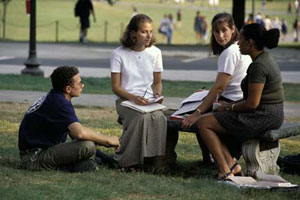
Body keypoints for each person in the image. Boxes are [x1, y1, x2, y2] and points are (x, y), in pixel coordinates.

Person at [189, 23, 283, 180]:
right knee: (210, 120)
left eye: (240, 39)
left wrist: (229, 107)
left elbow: (252, 103)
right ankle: (231, 165)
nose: (238, 43)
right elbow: (253, 99)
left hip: (263, 116)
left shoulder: (259, 66)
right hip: (269, 114)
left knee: (203, 123)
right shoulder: (264, 59)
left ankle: (224, 170)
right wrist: (227, 107)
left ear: (250, 42)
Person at [18, 66, 120, 172]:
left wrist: (106, 156)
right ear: (68, 89)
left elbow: (75, 135)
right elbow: (79, 133)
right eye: (79, 83)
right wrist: (108, 140)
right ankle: (73, 166)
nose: (82, 85)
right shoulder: (59, 103)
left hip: (43, 151)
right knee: (87, 145)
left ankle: (97, 161)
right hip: (33, 158)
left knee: (89, 140)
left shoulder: (56, 98)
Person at [181, 12, 252, 164]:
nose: (220, 35)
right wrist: (206, 94)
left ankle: (213, 160)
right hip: (238, 99)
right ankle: (211, 159)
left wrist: (197, 113)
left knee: (198, 118)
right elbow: (229, 84)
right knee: (202, 103)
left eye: (224, 30)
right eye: (216, 31)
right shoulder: (238, 48)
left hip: (232, 104)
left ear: (233, 29)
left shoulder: (230, 52)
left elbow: (220, 87)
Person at [110, 14, 167, 171]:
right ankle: (127, 161)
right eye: (144, 32)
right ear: (133, 33)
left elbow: (157, 82)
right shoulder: (118, 53)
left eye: (151, 31)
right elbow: (115, 87)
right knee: (141, 118)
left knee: (159, 118)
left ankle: (154, 162)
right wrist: (133, 98)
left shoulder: (155, 53)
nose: (149, 35)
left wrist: (156, 95)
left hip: (148, 102)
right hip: (125, 100)